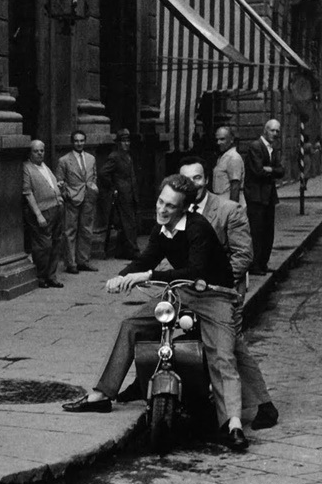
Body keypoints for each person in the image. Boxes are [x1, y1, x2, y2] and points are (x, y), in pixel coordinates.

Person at [62, 175, 250, 452]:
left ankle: (232, 424)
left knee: (223, 355)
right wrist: (122, 277)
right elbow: (146, 258)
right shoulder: (161, 229)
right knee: (131, 325)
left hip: (214, 295)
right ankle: (102, 394)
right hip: (180, 293)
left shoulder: (198, 228)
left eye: (170, 206)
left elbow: (194, 270)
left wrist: (146, 275)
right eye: (161, 202)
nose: (162, 209)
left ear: (184, 209)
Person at [179, 158, 278, 429]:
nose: (192, 185)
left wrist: (211, 282)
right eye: (186, 180)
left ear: (207, 180)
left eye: (197, 178)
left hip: (225, 289)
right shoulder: (178, 209)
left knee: (231, 344)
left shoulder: (228, 209)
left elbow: (243, 255)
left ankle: (264, 406)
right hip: (192, 289)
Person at [22, 140, 65, 288]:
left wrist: (57, 188)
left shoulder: (45, 166)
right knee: (43, 245)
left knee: (56, 242)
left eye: (42, 150)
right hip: (42, 211)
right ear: (30, 153)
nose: (40, 153)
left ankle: (51, 276)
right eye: (36, 151)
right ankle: (41, 276)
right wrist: (38, 214)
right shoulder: (27, 168)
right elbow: (28, 193)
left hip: (57, 207)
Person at [244, 119, 284, 275]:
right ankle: (255, 265)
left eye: (277, 131)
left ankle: (263, 263)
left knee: (268, 231)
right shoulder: (256, 146)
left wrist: (270, 169)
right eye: (272, 130)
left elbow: (282, 171)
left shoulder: (272, 148)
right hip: (256, 196)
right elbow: (258, 171)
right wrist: (273, 170)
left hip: (268, 196)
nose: (275, 134)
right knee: (257, 231)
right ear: (265, 130)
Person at [56, 130, 99, 273]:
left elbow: (94, 176)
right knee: (70, 231)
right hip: (72, 199)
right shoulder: (64, 160)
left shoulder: (91, 158)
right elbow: (59, 181)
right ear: (72, 142)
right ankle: (71, 263)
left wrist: (93, 189)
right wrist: (66, 194)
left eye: (81, 141)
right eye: (76, 141)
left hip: (88, 197)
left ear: (85, 141)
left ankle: (83, 261)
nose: (79, 143)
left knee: (86, 229)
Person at [99, 129, 140, 259]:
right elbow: (103, 173)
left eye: (128, 141)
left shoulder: (127, 156)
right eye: (123, 141)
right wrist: (113, 187)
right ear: (118, 143)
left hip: (130, 192)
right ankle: (133, 250)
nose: (126, 144)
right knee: (128, 223)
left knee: (128, 222)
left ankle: (122, 251)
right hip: (122, 194)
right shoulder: (114, 156)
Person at [213, 126, 244, 204]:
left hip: (228, 201)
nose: (218, 143)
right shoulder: (223, 157)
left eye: (222, 139)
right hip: (221, 200)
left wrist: (232, 209)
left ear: (231, 140)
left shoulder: (233, 157)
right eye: (217, 139)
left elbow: (235, 186)